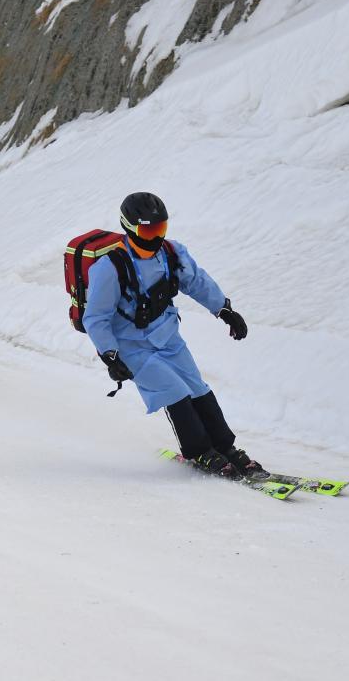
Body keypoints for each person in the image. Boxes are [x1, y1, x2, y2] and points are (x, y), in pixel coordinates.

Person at [82, 191, 255, 476]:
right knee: (173, 391)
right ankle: (200, 452)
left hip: (167, 336)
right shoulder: (110, 267)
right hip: (131, 346)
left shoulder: (172, 253)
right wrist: (110, 356)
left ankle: (226, 448)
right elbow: (96, 317)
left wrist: (224, 310)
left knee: (197, 388)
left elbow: (197, 282)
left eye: (160, 228)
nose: (154, 237)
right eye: (147, 230)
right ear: (129, 227)